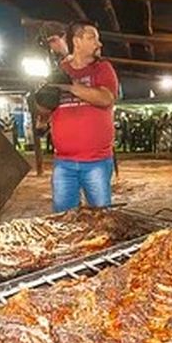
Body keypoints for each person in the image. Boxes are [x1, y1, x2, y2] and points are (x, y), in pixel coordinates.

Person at [34, 20, 118, 212]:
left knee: (101, 218)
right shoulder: (59, 70)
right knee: (64, 218)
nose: (99, 44)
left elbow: (106, 98)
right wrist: (42, 99)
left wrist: (70, 85)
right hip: (64, 162)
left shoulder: (103, 68)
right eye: (92, 38)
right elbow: (44, 111)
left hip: (96, 161)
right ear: (77, 41)